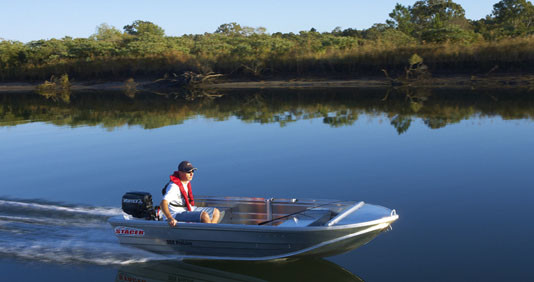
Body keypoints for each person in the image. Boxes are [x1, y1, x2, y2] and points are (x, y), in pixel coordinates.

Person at [160, 161, 220, 227]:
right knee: (204, 216)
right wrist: (169, 218)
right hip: (176, 213)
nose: (191, 174)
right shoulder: (174, 187)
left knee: (216, 212)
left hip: (188, 209)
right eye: (188, 172)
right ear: (180, 173)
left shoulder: (186, 181)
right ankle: (208, 235)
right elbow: (163, 203)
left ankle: (209, 232)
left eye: (192, 171)